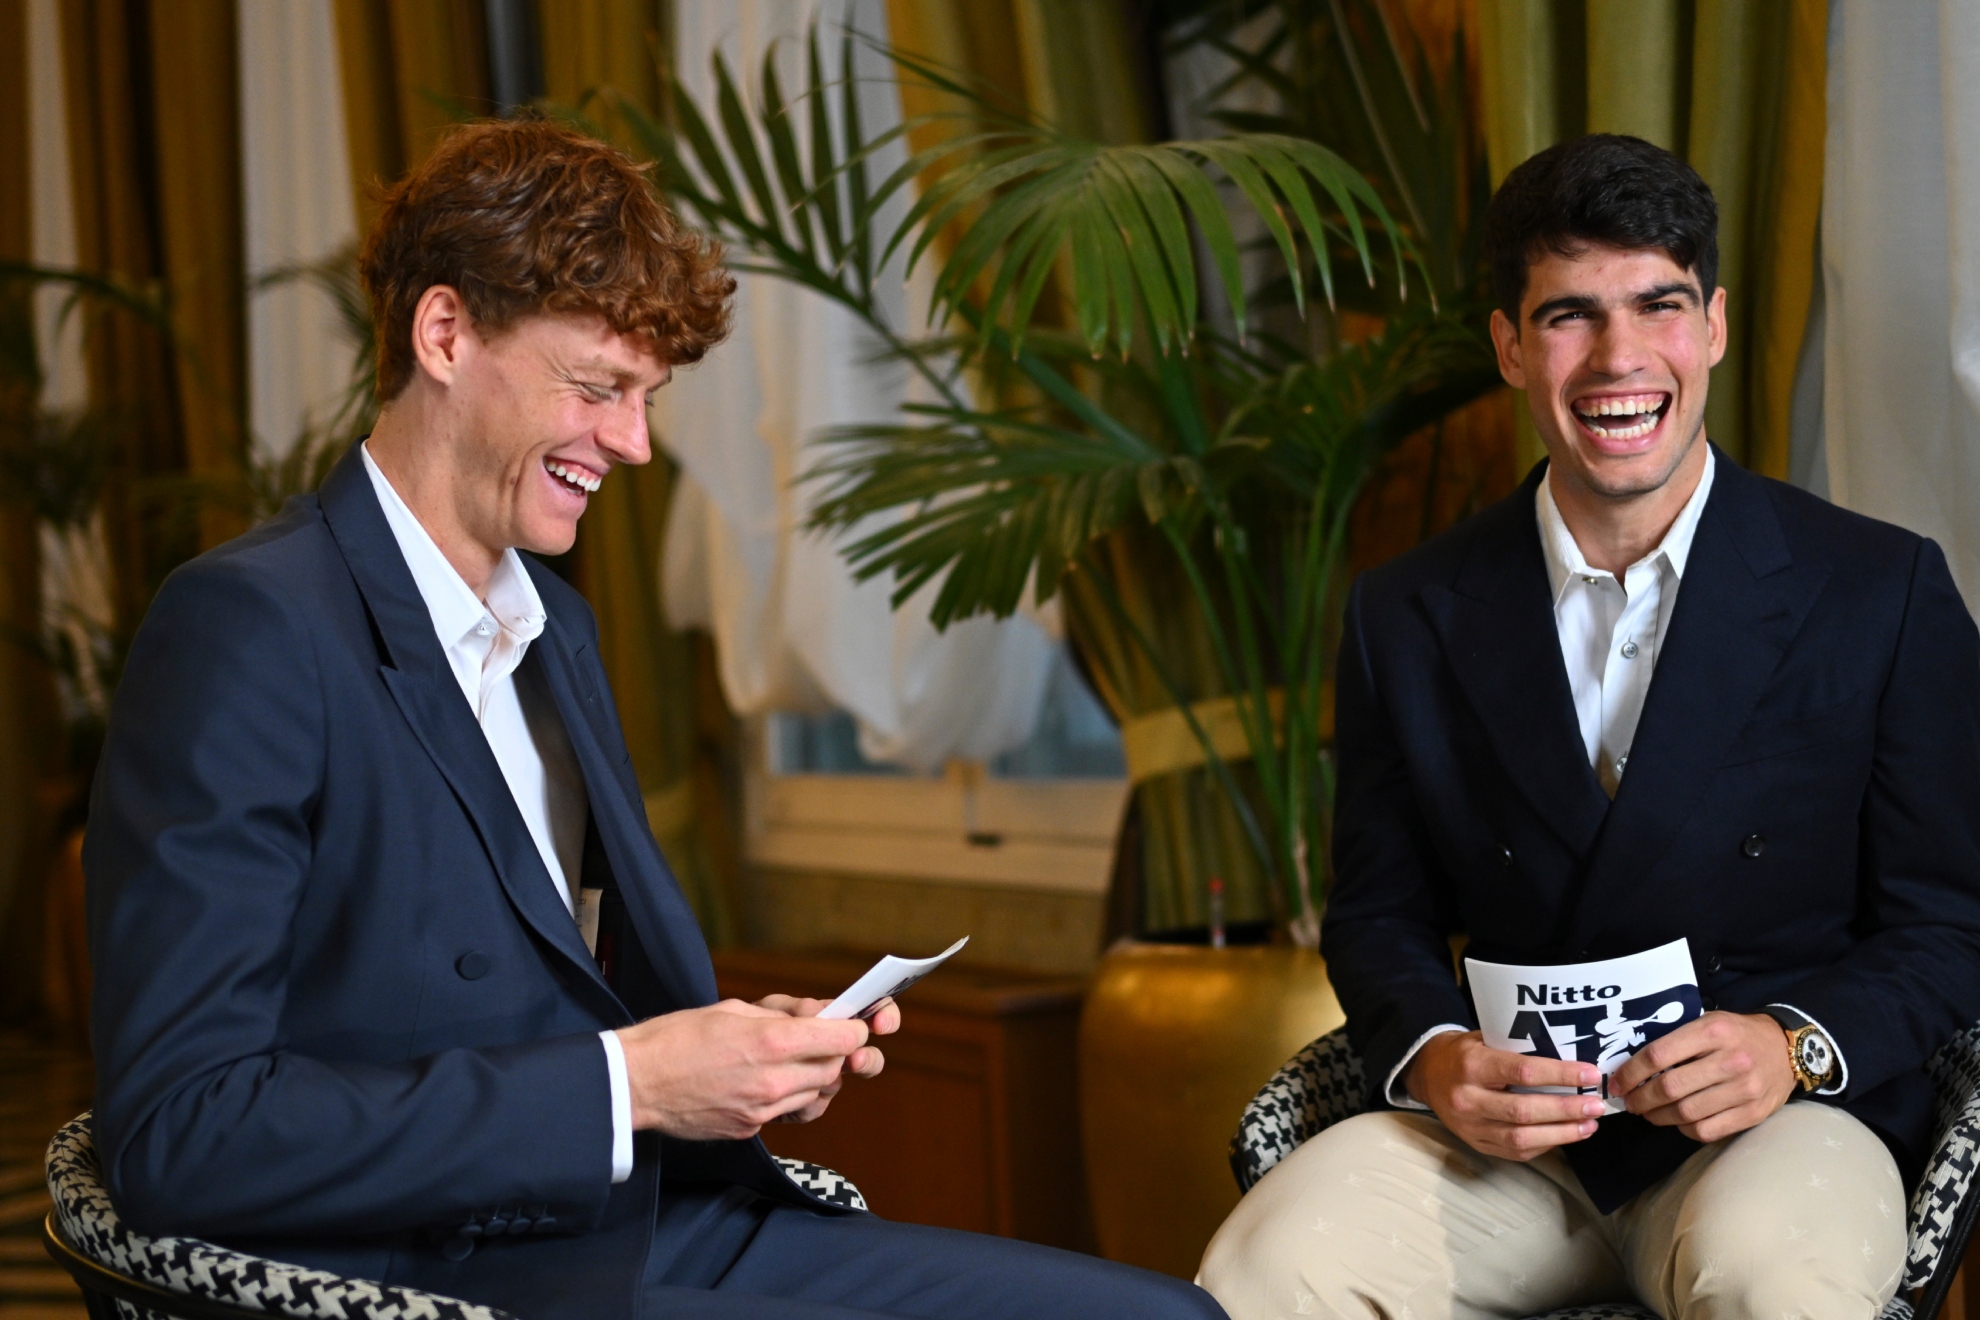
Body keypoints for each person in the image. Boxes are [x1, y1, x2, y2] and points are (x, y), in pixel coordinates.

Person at [84, 117, 1224, 1320]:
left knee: (1168, 1318)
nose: (632, 443)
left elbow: (547, 994)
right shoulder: (249, 628)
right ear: (445, 332)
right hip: (444, 1281)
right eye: (597, 387)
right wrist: (628, 1085)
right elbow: (182, 1133)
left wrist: (735, 1054)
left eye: (648, 398)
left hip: (656, 1218)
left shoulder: (557, 633)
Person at [1199, 133, 1980, 1320]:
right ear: (1511, 347)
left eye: (1658, 304)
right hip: (1507, 1150)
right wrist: (1439, 1059)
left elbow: (1953, 919)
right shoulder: (1404, 612)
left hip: (1780, 1127)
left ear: (1713, 324)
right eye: (1570, 315)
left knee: (1785, 1287)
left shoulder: (1882, 588)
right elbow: (1376, 915)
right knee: (1266, 1266)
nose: (1621, 357)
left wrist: (1795, 1045)